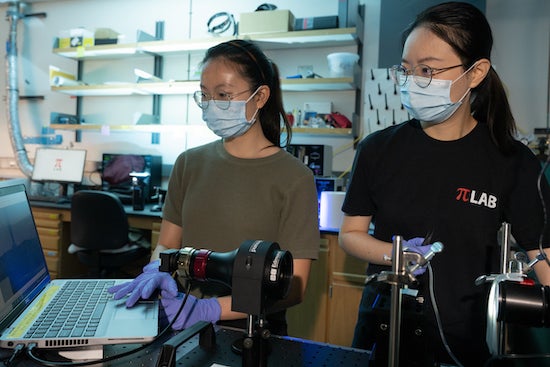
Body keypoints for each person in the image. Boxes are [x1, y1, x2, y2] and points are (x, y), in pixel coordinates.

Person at [338, 2, 550, 366]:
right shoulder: (378, 149)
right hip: (383, 330)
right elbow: (350, 234)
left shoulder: (511, 161)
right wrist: (396, 256)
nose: (412, 81)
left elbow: (540, 255)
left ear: (476, 72)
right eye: (406, 70)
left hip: (463, 342)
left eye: (428, 70)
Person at [109, 39, 320, 336]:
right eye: (205, 95)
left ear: (260, 97)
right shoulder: (189, 163)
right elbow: (167, 244)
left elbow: (294, 286)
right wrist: (156, 270)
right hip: (180, 324)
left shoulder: (294, 177)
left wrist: (210, 309)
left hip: (251, 334)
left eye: (223, 94)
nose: (211, 105)